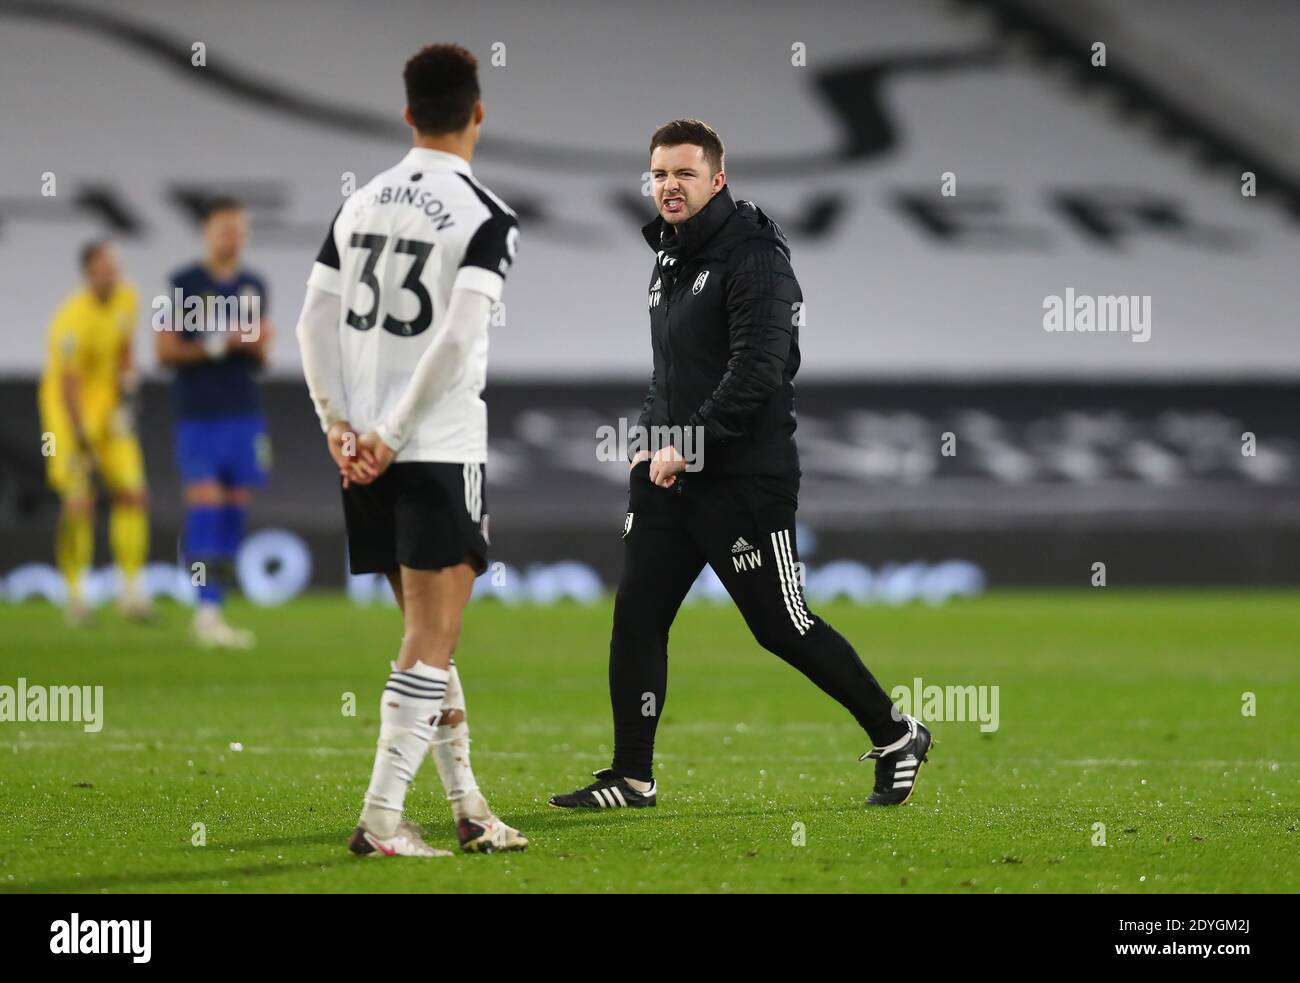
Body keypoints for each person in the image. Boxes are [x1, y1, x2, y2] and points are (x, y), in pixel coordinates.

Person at [549, 119, 933, 812]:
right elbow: (673, 371)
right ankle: (632, 777)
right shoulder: (670, 255)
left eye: (684, 173)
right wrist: (649, 436)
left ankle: (897, 731)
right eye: (659, 173)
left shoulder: (756, 256)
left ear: (718, 178)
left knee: (781, 624)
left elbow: (759, 370)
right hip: (670, 475)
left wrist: (686, 443)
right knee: (637, 617)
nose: (668, 185)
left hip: (743, 478)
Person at [296, 43, 526, 856]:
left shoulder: (357, 205)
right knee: (433, 636)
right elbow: (461, 335)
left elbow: (312, 323)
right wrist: (394, 432)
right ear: (478, 113)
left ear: (407, 114)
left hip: (360, 450)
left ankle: (470, 810)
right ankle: (381, 821)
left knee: (426, 635)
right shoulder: (485, 215)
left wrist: (339, 423)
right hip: (431, 446)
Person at [157, 197, 271, 649]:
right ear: (207, 232)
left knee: (234, 510)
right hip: (199, 413)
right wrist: (224, 345)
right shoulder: (182, 285)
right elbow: (165, 352)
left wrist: (258, 344)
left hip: (243, 411)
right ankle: (203, 606)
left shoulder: (252, 285)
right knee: (206, 506)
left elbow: (260, 351)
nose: (234, 237)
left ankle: (216, 607)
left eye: (240, 229)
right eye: (226, 229)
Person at [38, 240, 152, 624]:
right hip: (68, 415)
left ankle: (132, 592)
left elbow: (125, 349)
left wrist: (127, 395)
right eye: (104, 267)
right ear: (88, 273)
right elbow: (68, 385)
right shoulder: (70, 318)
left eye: (114, 266)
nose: (112, 273)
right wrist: (82, 440)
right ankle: (75, 596)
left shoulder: (127, 297)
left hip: (109, 411)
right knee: (78, 502)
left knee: (134, 494)